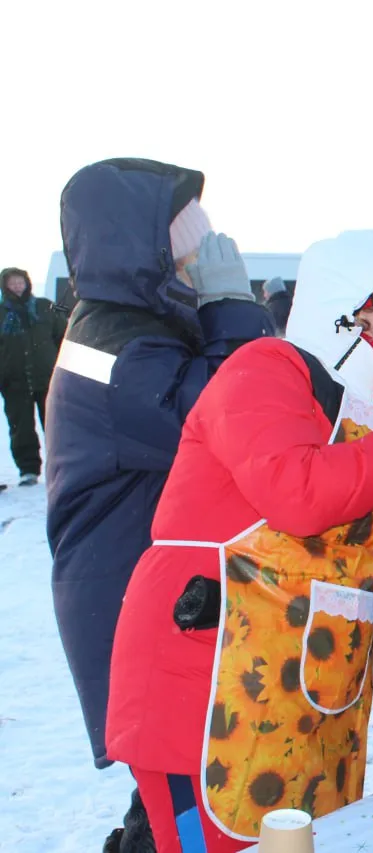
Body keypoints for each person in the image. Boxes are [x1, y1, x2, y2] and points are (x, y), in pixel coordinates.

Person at [105, 232, 373, 853]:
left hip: (307, 708)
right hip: (206, 689)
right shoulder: (263, 368)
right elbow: (296, 493)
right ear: (350, 310)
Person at [46, 158, 276, 852]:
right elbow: (231, 412)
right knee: (181, 795)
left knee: (183, 788)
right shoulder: (111, 350)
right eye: (185, 253)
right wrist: (230, 306)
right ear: (137, 252)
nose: (195, 265)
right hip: (130, 599)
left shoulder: (138, 331)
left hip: (159, 590)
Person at [0, 266, 65, 485]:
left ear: (27, 283)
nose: (17, 286)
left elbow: (64, 336)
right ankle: (28, 469)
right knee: (21, 428)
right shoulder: (1, 313)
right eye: (12, 283)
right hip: (14, 381)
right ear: (5, 286)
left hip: (48, 378)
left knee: (56, 425)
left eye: (20, 281)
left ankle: (62, 465)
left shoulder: (44, 306)